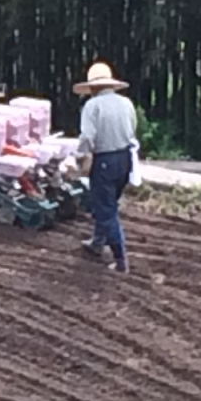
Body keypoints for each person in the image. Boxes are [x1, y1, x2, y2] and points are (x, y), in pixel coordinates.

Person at [74, 60, 138, 274]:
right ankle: (97, 242)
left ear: (92, 86)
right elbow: (133, 128)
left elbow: (88, 136)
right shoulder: (126, 103)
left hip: (104, 161)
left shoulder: (92, 106)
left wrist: (80, 156)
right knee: (109, 203)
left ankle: (120, 260)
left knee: (106, 209)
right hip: (125, 159)